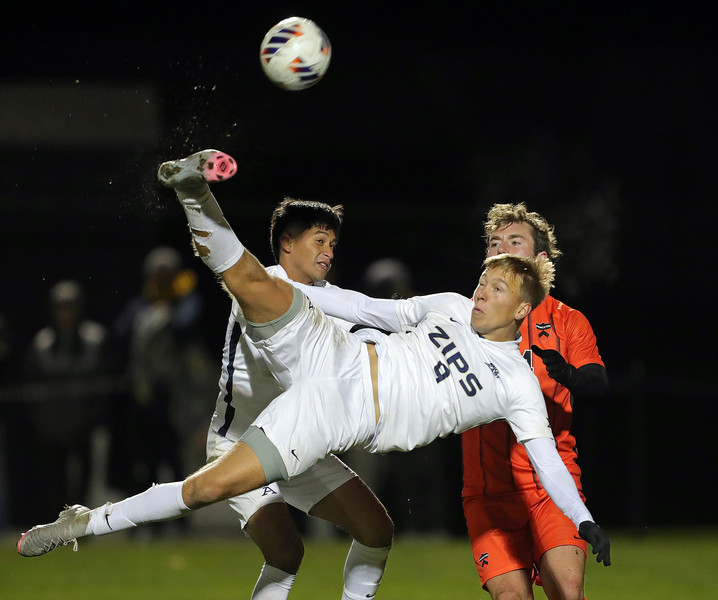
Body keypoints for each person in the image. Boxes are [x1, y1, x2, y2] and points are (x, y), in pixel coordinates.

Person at [17, 150, 611, 582]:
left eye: (497, 285)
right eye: (484, 277)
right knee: (252, 283)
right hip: (339, 355)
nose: (481, 289)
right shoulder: (453, 307)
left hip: (335, 412)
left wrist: (583, 520)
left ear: (523, 305)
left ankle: (83, 522)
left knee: (232, 496)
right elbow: (367, 308)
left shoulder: (516, 384)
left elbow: (548, 462)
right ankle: (193, 188)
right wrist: (289, 291)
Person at [200, 197, 394, 599]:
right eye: (320, 240)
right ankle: (92, 523)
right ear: (287, 243)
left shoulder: (327, 296)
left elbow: (362, 327)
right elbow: (294, 362)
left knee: (376, 530)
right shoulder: (259, 287)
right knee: (286, 551)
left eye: (333, 244)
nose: (329, 252)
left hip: (295, 438)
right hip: (240, 442)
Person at [461, 203, 610, 600]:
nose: (501, 249)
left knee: (568, 592)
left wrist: (572, 377)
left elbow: (597, 382)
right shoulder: (464, 318)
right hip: (489, 493)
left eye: (515, 241)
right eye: (494, 243)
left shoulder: (566, 320)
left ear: (540, 258)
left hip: (551, 487)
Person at [21, 280, 109, 517]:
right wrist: (42, 423)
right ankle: (58, 522)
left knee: (84, 476)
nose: (65, 314)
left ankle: (83, 522)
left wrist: (94, 418)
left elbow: (104, 385)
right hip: (53, 426)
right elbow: (32, 389)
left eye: (70, 307)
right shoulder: (43, 344)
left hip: (84, 422)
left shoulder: (94, 340)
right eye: (61, 308)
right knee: (55, 478)